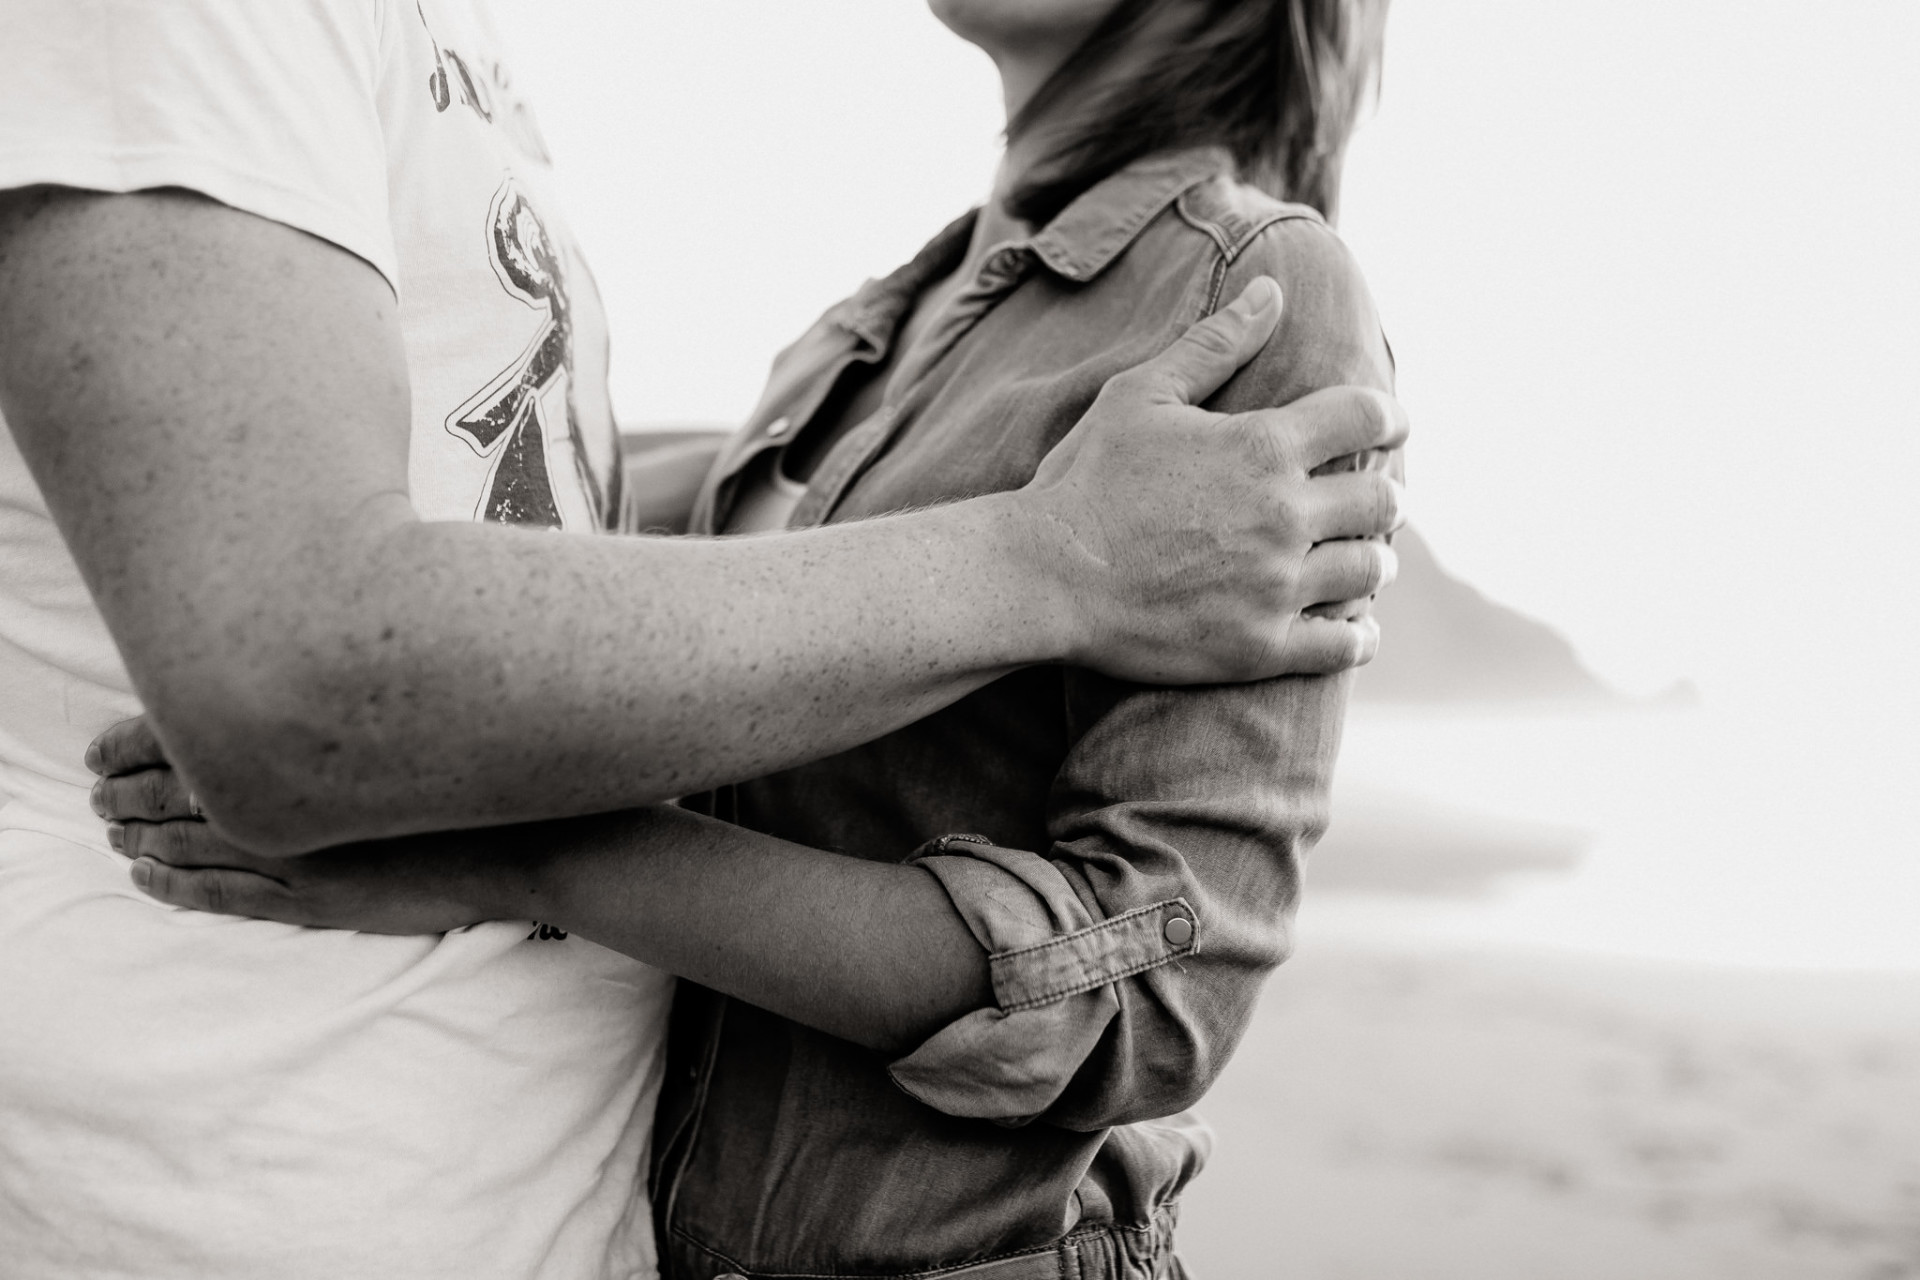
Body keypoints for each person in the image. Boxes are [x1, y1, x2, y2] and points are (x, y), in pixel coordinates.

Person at [0, 1, 1403, 1277]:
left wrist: (515, 854)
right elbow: (480, 561)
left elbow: (1157, 992)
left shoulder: (1256, 288)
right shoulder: (866, 334)